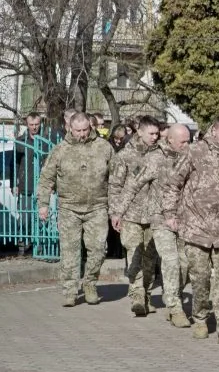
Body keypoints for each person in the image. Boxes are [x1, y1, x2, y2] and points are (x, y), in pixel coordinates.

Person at [163, 114, 219, 346]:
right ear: (214, 131)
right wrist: (170, 214)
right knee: (200, 278)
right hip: (196, 225)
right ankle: (200, 317)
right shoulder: (194, 152)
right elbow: (174, 184)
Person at [115, 124, 193, 328]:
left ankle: (173, 296)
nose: (187, 145)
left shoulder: (192, 158)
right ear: (171, 141)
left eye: (189, 141)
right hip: (159, 218)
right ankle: (175, 308)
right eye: (183, 142)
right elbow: (133, 184)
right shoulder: (155, 159)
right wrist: (118, 211)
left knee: (185, 264)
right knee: (170, 260)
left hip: (185, 219)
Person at [36, 112, 115, 307]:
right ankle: (70, 290)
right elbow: (46, 179)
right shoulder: (60, 150)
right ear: (69, 128)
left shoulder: (104, 148)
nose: (81, 134)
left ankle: (90, 283)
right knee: (70, 251)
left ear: (91, 127)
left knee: (97, 249)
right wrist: (43, 204)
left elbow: (115, 178)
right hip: (69, 207)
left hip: (97, 206)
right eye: (77, 130)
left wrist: (115, 208)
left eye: (85, 130)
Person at [108, 115, 161, 317]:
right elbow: (115, 186)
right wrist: (115, 212)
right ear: (140, 131)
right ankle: (137, 295)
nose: (155, 137)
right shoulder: (124, 156)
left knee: (150, 258)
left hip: (154, 215)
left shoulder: (160, 154)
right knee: (135, 254)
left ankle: (146, 294)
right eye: (151, 133)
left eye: (157, 133)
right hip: (131, 213)